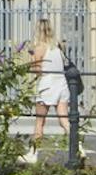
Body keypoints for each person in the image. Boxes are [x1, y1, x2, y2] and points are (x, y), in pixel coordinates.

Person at [19, 16, 72, 161]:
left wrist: (31, 60)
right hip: (61, 83)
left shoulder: (39, 48)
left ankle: (33, 153)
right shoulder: (58, 46)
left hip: (47, 85)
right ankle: (77, 146)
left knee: (40, 122)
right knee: (64, 120)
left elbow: (37, 70)